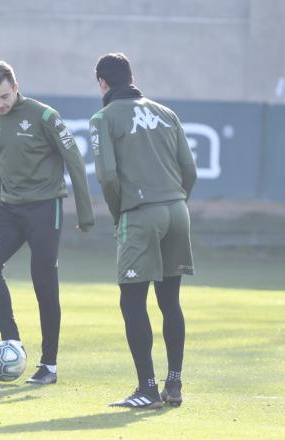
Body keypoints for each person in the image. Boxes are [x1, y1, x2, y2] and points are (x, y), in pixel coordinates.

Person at [0, 60, 94, 384]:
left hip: (45, 207)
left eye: (3, 96)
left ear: (15, 86)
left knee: (43, 281)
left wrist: (85, 212)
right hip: (9, 211)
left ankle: (49, 365)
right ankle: (11, 342)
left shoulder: (44, 116)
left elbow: (75, 161)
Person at [89, 53, 197, 408]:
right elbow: (189, 169)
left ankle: (147, 388)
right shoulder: (167, 114)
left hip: (140, 214)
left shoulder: (103, 118)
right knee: (170, 301)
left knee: (132, 301)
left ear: (102, 83)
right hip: (178, 211)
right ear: (131, 77)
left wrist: (120, 212)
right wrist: (177, 201)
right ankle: (175, 384)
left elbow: (106, 174)